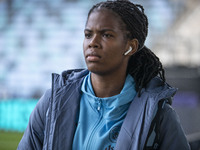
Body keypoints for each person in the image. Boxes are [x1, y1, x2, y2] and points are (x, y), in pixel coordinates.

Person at [17, 0, 191, 150]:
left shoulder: (158, 115)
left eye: (106, 35)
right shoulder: (53, 102)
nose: (93, 42)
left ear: (130, 46)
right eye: (88, 34)